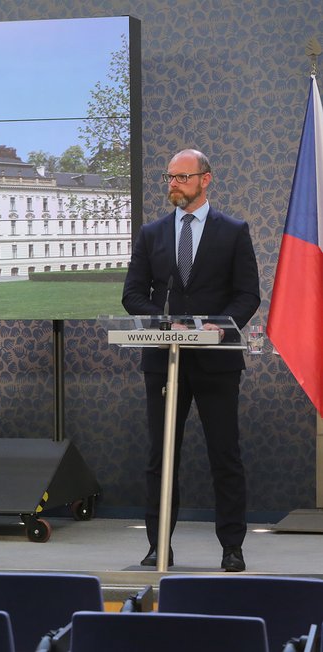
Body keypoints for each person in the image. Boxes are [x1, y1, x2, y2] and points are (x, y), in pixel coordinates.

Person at [122, 149, 260, 572]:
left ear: (206, 179)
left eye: (182, 177)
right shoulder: (152, 233)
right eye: (170, 177)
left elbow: (247, 295)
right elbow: (132, 295)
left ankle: (232, 547)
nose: (173, 184)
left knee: (225, 455)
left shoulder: (233, 231)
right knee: (161, 457)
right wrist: (163, 323)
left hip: (216, 361)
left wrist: (217, 328)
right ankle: (157, 545)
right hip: (164, 361)